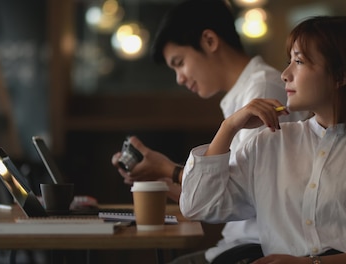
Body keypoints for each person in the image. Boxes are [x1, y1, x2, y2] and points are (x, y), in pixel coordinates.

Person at [179, 16, 346, 264]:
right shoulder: (270, 143)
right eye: (289, 62)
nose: (285, 74)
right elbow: (199, 206)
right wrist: (229, 127)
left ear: (340, 75)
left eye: (299, 61)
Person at [110, 1, 310, 263]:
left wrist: (168, 170)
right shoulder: (243, 93)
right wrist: (158, 178)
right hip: (241, 243)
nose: (180, 79)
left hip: (260, 247)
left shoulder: (263, 89)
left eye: (179, 63)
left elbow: (243, 196)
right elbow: (222, 195)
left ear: (209, 40)